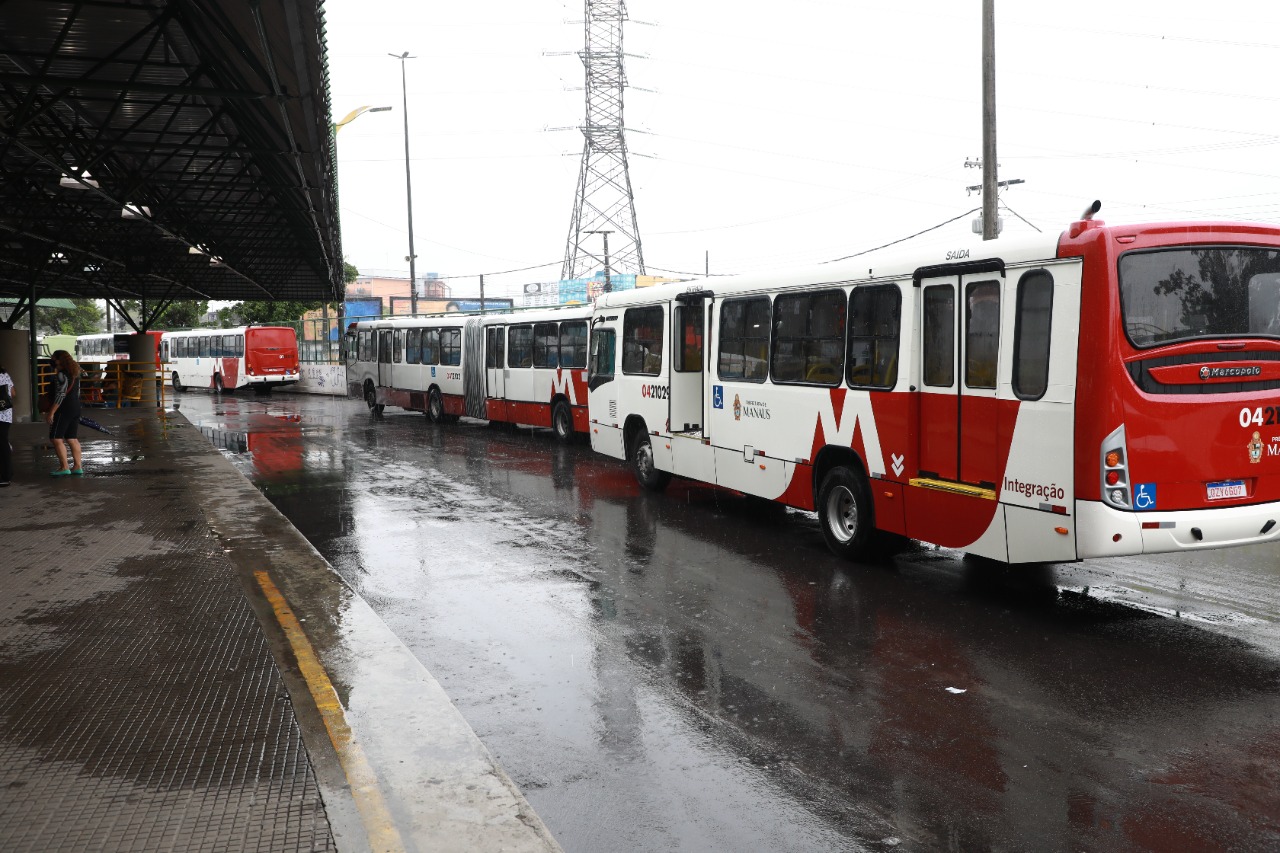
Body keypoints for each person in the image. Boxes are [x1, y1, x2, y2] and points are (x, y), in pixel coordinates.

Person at [46, 349, 83, 476]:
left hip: (64, 408)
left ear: (58, 361)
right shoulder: (75, 373)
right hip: (75, 406)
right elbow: (77, 392)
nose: (51, 361)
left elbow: (60, 394)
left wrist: (51, 412)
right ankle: (77, 467)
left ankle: (64, 467)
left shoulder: (61, 375)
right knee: (72, 438)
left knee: (56, 438)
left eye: (53, 358)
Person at [0, 360, 14, 486]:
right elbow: (13, 393)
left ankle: (5, 476)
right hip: (7, 415)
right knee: (3, 443)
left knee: (3, 445)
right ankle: (7, 473)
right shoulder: (5, 375)